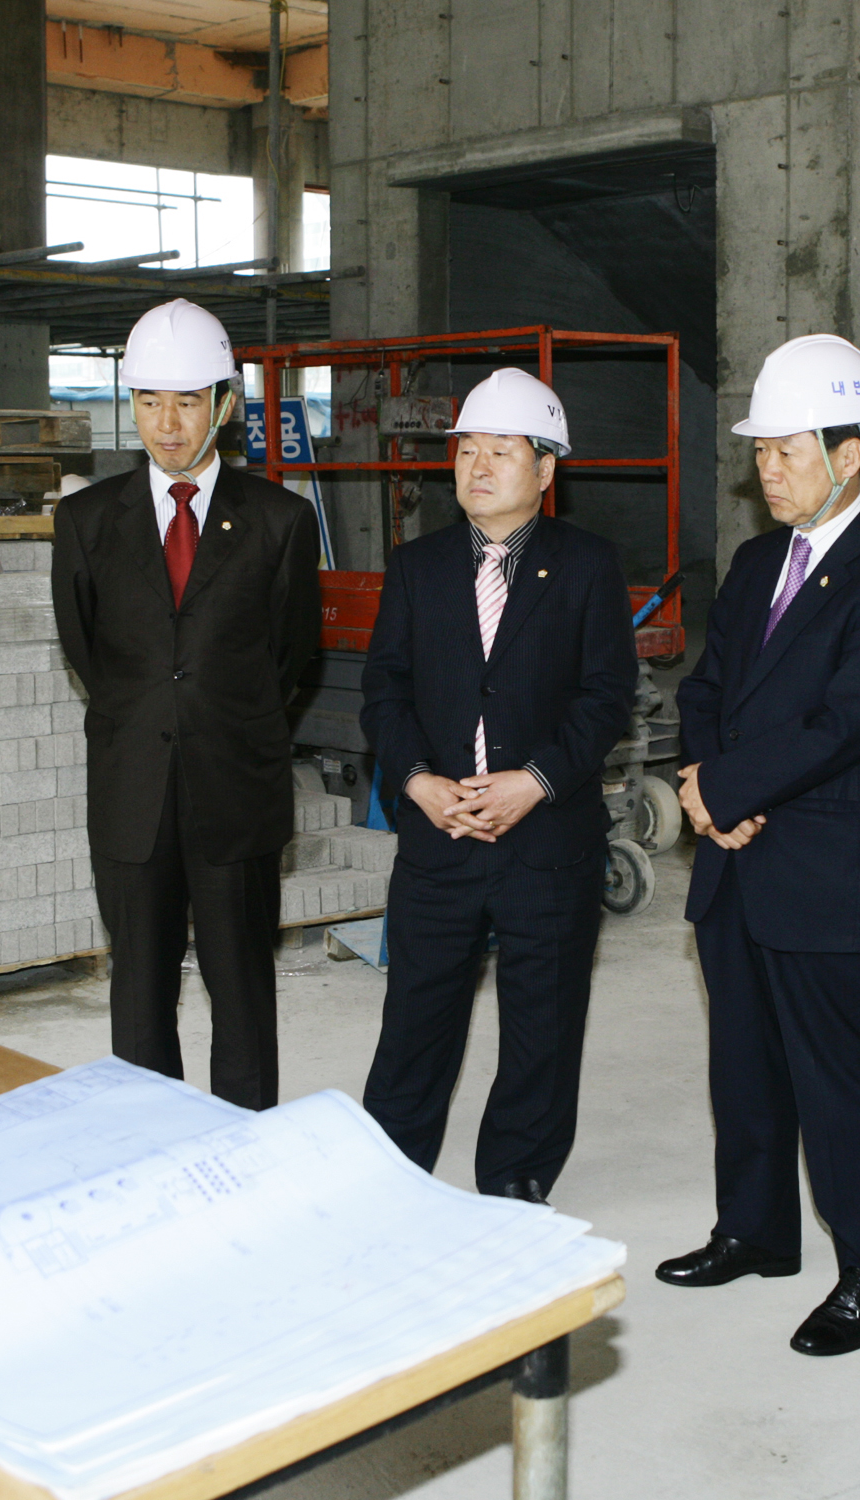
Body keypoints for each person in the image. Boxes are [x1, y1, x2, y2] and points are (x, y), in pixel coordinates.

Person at [652, 336, 860, 1361]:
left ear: (849, 456)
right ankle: (755, 1230)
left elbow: (845, 723)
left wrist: (724, 789)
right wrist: (700, 785)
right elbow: (706, 686)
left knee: (844, 1079)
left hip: (825, 870)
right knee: (745, 1061)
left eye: (787, 451)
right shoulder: (752, 562)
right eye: (761, 452)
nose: (766, 470)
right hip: (735, 856)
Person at [357, 368, 636, 1203]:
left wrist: (535, 782)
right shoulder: (417, 567)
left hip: (545, 840)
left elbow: (605, 697)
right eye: (466, 450)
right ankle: (388, 1173)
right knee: (416, 1017)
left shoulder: (587, 566)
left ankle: (515, 1177)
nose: (477, 466)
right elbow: (385, 691)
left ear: (546, 471)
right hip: (438, 835)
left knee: (542, 1022)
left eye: (501, 452)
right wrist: (416, 781)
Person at [52, 298, 320, 1111]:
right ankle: (148, 1145)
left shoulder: (279, 520)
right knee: (138, 995)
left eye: (187, 402)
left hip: (234, 792)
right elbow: (90, 652)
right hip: (134, 793)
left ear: (225, 405)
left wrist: (223, 723)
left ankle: (243, 1147)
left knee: (242, 990)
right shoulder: (87, 521)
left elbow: (294, 660)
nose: (167, 425)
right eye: (148, 402)